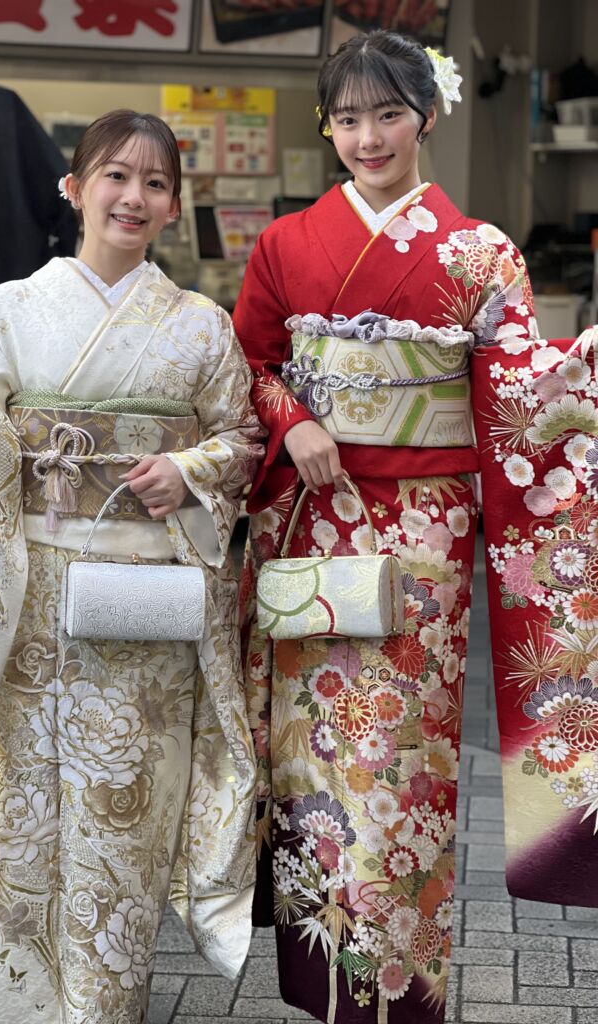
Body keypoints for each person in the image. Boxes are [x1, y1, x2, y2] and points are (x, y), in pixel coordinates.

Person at [0, 109, 263, 1024]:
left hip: (145, 607)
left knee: (124, 820)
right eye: (116, 176)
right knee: (18, 826)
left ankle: (106, 1010)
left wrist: (188, 471)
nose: (134, 197)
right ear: (74, 189)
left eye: (156, 183)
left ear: (173, 205)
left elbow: (242, 437)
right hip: (30, 605)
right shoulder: (12, 309)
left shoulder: (200, 326)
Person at [234, 31, 538, 1024]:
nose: (369, 138)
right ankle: (324, 979)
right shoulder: (286, 244)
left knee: (404, 758)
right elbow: (247, 363)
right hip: (315, 517)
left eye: (389, 115)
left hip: (424, 531)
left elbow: (523, 399)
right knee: (312, 752)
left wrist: (576, 379)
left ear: (428, 116)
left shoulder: (482, 252)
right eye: (349, 118)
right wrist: (293, 417)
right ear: (327, 126)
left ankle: (395, 992)